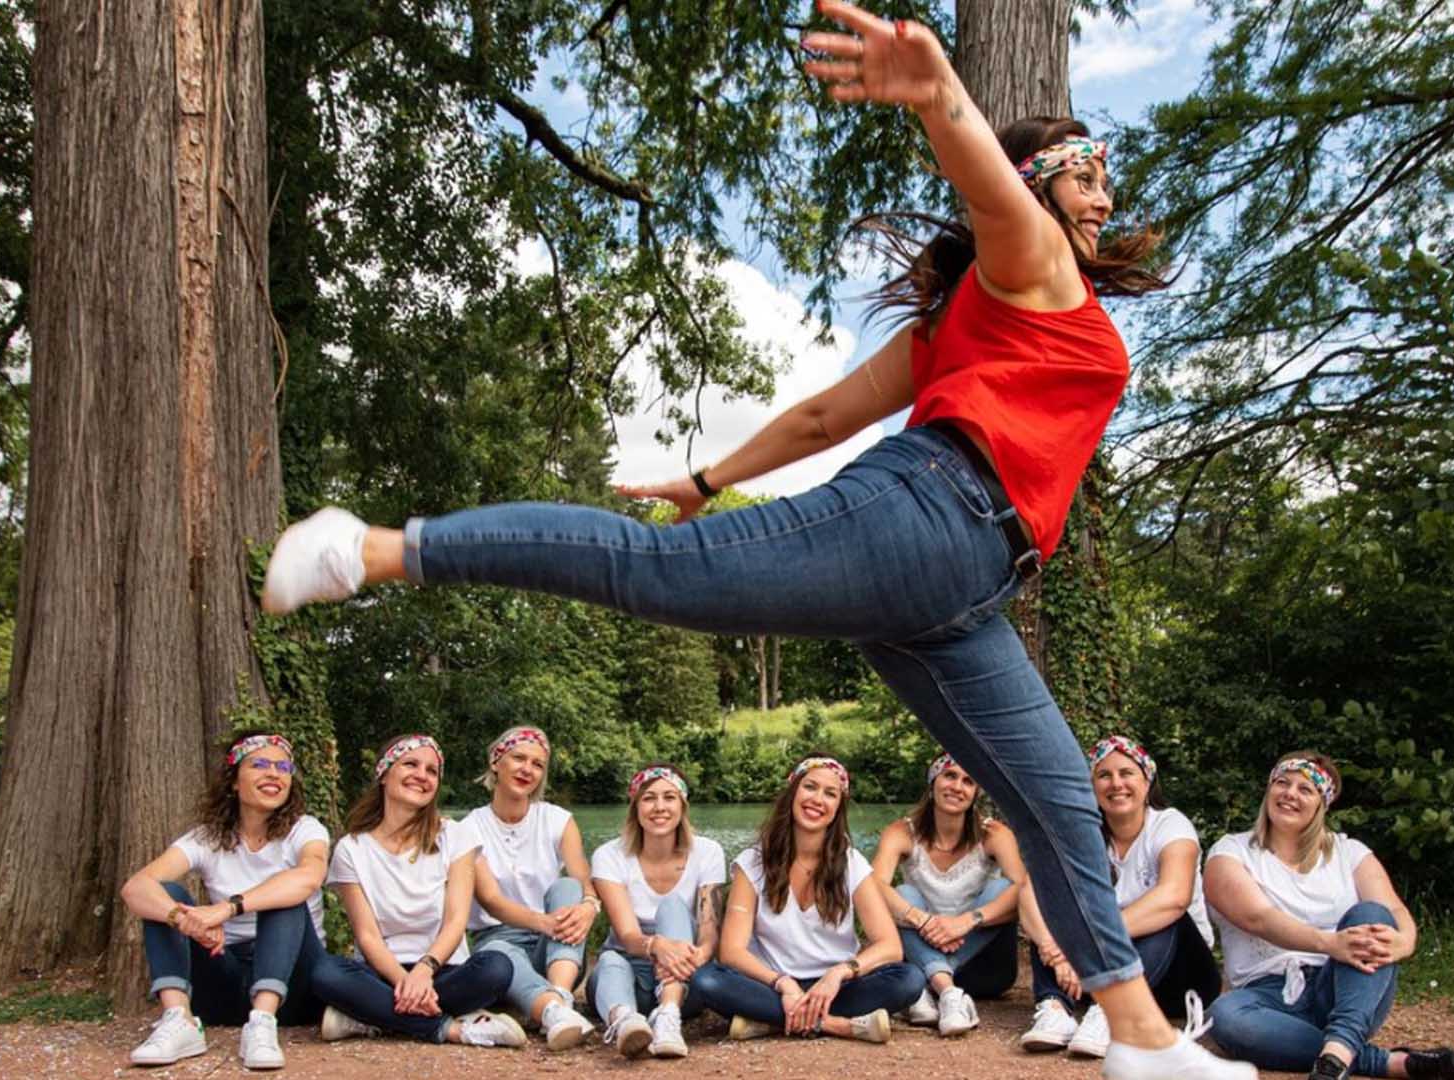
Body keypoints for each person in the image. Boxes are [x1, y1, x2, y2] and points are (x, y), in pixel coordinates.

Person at [257, 2, 1252, 1075]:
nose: (1102, 195)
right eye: (1083, 171)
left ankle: (1142, 1038)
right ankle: (375, 549)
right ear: (1039, 184)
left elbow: (824, 419)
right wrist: (936, 95)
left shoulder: (969, 314)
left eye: (1106, 176)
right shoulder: (1033, 268)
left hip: (966, 591)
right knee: (654, 575)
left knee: (1055, 801)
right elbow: (987, 186)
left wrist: (706, 476)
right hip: (924, 520)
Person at [1203, 754, 1454, 1080]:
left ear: (1321, 805)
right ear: (1268, 789)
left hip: (1344, 986)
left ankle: (1339, 1048)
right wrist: (1329, 942)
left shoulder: (1350, 853)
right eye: (1282, 783)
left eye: (1305, 789)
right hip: (1266, 996)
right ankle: (1378, 1061)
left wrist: (1404, 941)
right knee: (1226, 1015)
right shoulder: (1230, 851)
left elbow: (1394, 911)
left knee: (1371, 914)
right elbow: (1258, 918)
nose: (1289, 794)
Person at [119, 731, 330, 1069]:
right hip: (226, 980)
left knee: (285, 892)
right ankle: (179, 1020)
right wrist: (186, 920)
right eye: (259, 764)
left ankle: (263, 1023)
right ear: (234, 781)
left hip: (295, 983)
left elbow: (309, 877)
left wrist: (226, 908)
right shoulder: (207, 838)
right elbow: (136, 888)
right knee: (166, 895)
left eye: (283, 767)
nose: (273, 774)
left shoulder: (305, 830)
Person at [308, 733, 524, 1048]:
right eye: (411, 764)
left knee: (496, 967)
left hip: (443, 970)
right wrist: (404, 982)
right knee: (326, 972)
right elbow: (367, 936)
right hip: (380, 973)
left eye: (431, 771)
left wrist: (424, 970)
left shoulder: (455, 835)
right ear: (384, 773)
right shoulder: (351, 848)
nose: (422, 776)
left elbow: (455, 921)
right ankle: (451, 1029)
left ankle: (371, 1017)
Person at [688, 755, 921, 1042]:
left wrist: (839, 973)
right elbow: (732, 951)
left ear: (838, 807)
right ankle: (836, 1025)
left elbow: (890, 945)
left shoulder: (850, 862)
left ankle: (771, 1021)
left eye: (830, 793)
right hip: (771, 984)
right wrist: (783, 984)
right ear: (793, 792)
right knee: (707, 980)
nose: (818, 799)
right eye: (810, 787)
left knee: (909, 980)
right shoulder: (753, 863)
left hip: (836, 987)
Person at [1019, 736, 1222, 1060]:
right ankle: (1055, 1009)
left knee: (1165, 914)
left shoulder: (1170, 825)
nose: (1116, 784)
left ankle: (1112, 1014)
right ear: (1092, 785)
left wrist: (1081, 941)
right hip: (1096, 969)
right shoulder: (1081, 833)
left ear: (1147, 779)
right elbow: (1030, 890)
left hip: (1180, 976)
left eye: (1127, 773)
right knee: (1053, 905)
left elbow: (1174, 896)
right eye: (1104, 775)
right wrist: (1050, 943)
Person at [869, 751, 1025, 1036]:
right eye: (950, 776)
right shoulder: (902, 832)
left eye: (968, 781)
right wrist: (923, 921)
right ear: (933, 782)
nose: (957, 786)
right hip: (921, 960)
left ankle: (929, 988)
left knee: (1002, 888)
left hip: (985, 970)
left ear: (975, 792)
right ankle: (949, 993)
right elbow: (872, 886)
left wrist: (965, 921)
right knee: (901, 894)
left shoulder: (994, 834)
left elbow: (1023, 891)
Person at [460, 725, 598, 1050]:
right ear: (496, 762)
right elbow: (491, 901)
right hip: (497, 944)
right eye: (519, 758)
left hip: (555, 951)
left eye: (537, 764)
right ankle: (553, 1011)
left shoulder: (558, 820)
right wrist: (543, 921)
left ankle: (559, 997)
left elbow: (582, 881)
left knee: (566, 887)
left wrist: (590, 906)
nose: (527, 769)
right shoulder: (468, 829)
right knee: (499, 952)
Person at [587, 762, 727, 1058]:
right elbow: (626, 935)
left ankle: (668, 1016)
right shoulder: (609, 855)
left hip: (684, 981)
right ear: (635, 808)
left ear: (683, 806)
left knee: (673, 907)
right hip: (628, 978)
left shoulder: (708, 852)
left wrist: (694, 958)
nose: (659, 807)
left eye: (669, 797)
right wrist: (657, 946)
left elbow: (709, 930)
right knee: (610, 958)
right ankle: (625, 1022)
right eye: (649, 798)